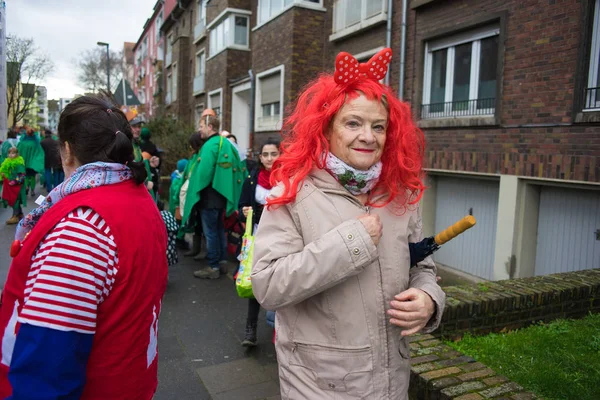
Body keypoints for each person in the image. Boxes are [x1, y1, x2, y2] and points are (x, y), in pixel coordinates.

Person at [250, 48, 446, 399]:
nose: (368, 136)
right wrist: (352, 241)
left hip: (391, 381)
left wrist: (429, 298)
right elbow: (267, 285)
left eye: (378, 126)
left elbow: (421, 265)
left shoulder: (398, 196)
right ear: (326, 128)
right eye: (353, 123)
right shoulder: (293, 194)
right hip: (320, 386)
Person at [0, 92, 168, 399]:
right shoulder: (138, 199)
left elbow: (45, 372)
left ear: (66, 151)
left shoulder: (81, 228)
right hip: (130, 381)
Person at [183, 115, 245, 279]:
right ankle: (222, 262)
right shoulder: (225, 143)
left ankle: (213, 266)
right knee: (219, 230)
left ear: (210, 126)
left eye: (202, 126)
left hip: (208, 198)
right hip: (220, 197)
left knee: (210, 233)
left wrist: (193, 192)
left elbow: (203, 174)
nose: (199, 130)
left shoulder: (210, 145)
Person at [237, 139, 280, 347]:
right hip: (257, 238)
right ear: (260, 157)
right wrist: (244, 211)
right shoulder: (251, 179)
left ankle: (280, 330)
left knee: (282, 281)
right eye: (266, 154)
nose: (270, 158)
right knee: (255, 281)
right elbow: (241, 206)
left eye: (274, 154)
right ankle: (250, 329)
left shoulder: (288, 179)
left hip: (281, 239)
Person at [0, 146, 26, 224]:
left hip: (17, 185)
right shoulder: (7, 162)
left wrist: (15, 181)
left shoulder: (19, 163)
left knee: (15, 200)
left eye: (13, 153)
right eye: (10, 153)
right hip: (10, 185)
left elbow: (22, 175)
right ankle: (20, 214)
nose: (11, 155)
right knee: (12, 199)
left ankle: (15, 216)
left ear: (17, 154)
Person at [17, 127, 44, 197]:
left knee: (25, 176)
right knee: (32, 177)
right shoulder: (36, 144)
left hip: (24, 163)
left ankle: (26, 187)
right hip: (32, 164)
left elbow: (18, 153)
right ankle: (32, 190)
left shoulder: (22, 143)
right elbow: (40, 154)